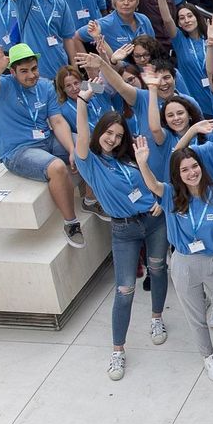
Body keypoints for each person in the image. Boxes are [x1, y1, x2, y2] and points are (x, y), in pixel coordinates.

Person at [73, 85, 169, 382]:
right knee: (124, 289)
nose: (113, 139)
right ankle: (118, 350)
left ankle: (157, 319)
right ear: (99, 131)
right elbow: (81, 135)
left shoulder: (128, 159)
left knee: (157, 267)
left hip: (153, 221)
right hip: (123, 229)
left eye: (118, 135)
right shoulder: (90, 163)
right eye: (108, 133)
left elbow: (150, 183)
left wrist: (158, 202)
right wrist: (82, 100)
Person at [142, 147, 213, 382]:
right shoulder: (171, 195)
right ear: (178, 174)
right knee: (197, 317)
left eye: (194, 166)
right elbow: (153, 185)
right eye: (184, 169)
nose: (191, 172)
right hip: (184, 264)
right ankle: (209, 357)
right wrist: (143, 163)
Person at [0, 44, 85, 248]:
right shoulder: (2, 86)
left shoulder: (46, 86)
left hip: (46, 140)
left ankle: (90, 200)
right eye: (24, 71)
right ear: (12, 72)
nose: (32, 75)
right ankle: (71, 223)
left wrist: (73, 150)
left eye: (34, 68)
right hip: (18, 151)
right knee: (56, 167)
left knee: (87, 145)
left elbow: (57, 121)